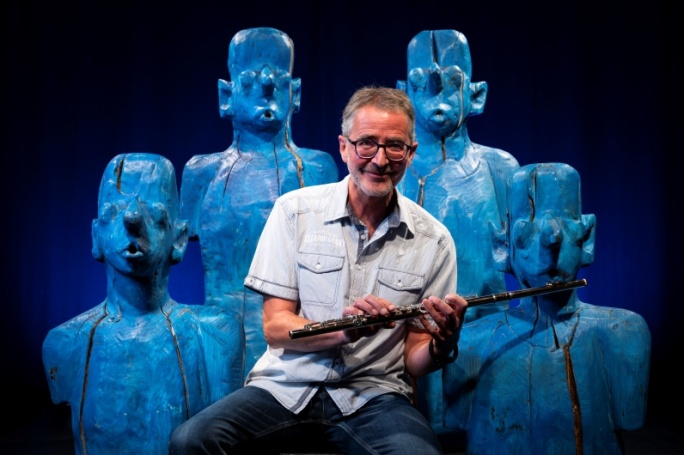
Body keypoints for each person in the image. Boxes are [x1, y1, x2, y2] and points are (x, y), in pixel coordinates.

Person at [169, 87, 469, 455]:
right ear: (344, 147)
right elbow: (275, 327)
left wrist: (443, 344)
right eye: (366, 144)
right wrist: (346, 330)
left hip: (374, 397)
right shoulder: (294, 212)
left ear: (410, 152)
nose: (379, 160)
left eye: (394, 146)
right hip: (285, 388)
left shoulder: (434, 240)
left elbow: (414, 358)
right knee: (191, 441)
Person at [42, 153, 244, 455]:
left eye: (154, 212)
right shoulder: (62, 344)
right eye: (114, 211)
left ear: (179, 238)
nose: (132, 219)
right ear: (96, 236)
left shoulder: (216, 335)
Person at [443, 163, 651, 454]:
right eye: (527, 230)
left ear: (587, 238)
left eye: (565, 223)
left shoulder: (623, 333)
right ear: (501, 247)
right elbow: (455, 422)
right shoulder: (469, 344)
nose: (551, 238)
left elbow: (630, 418)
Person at [179, 27, 338, 376]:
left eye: (279, 80)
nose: (266, 87)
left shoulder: (318, 169)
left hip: (298, 343)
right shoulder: (202, 173)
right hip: (221, 343)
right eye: (249, 81)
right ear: (226, 95)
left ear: (295, 93)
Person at [396, 28, 520, 440]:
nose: (437, 92)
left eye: (452, 82)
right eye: (422, 83)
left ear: (476, 94)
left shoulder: (499, 168)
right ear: (404, 94)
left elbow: (526, 256)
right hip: (403, 347)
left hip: (484, 340)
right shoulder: (390, 173)